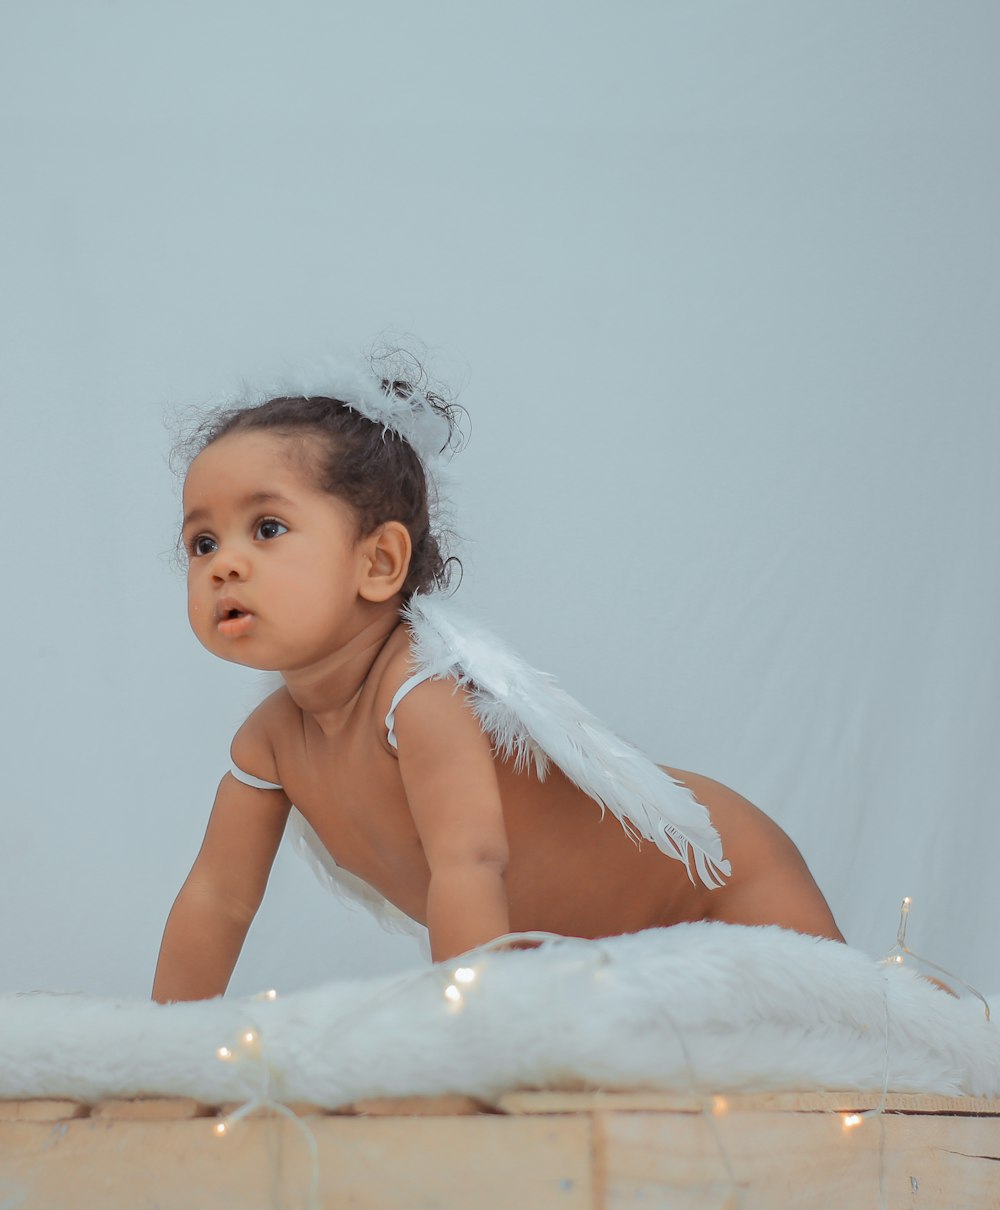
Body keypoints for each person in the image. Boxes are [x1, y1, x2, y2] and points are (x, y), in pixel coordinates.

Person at [152, 356, 843, 1003]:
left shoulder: (417, 694)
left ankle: (934, 1012)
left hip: (716, 878)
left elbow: (469, 864)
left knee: (857, 1021)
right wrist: (164, 1049)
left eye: (266, 527)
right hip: (595, 970)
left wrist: (473, 1039)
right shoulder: (270, 744)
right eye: (202, 542)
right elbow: (219, 897)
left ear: (379, 562)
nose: (224, 564)